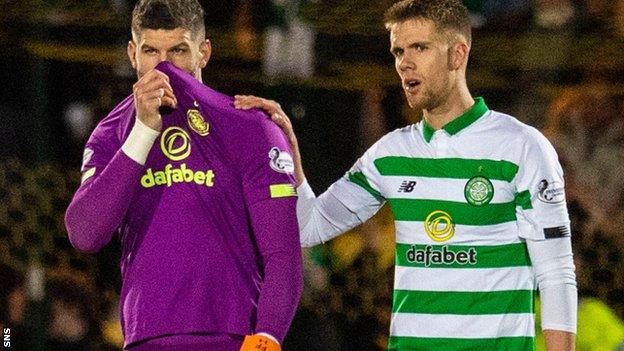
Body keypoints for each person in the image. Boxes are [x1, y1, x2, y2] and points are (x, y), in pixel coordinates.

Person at [234, 0, 577, 350]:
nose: (404, 63)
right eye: (398, 51)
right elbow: (309, 227)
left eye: (420, 48)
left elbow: (556, 273)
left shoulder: (522, 148)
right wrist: (286, 151)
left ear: (457, 55)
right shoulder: (390, 154)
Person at [64, 1, 303, 350]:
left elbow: (283, 252)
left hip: (231, 339)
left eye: (178, 50)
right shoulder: (111, 134)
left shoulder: (249, 126)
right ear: (133, 54)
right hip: (145, 340)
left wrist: (266, 340)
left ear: (203, 53)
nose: (163, 66)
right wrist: (143, 132)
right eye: (150, 51)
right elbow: (85, 233)